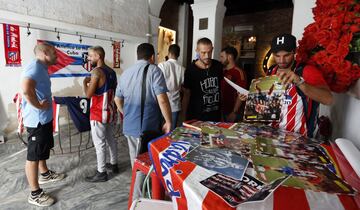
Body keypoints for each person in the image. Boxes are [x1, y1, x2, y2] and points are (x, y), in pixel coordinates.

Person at [240, 33, 333, 137]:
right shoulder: (272, 70)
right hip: (272, 135)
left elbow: (328, 99)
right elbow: (268, 102)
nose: (281, 60)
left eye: (286, 55)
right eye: (277, 56)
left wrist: (300, 82)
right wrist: (251, 98)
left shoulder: (307, 71)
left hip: (299, 139)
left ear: (294, 52)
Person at [114, 43, 172, 200]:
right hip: (146, 127)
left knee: (136, 160)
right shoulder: (154, 70)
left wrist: (126, 113)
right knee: (145, 162)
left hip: (130, 126)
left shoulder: (126, 73)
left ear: (138, 56)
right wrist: (168, 121)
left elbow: (117, 99)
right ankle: (138, 198)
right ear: (152, 57)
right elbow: (163, 100)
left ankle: (142, 191)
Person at [21, 43, 65, 207]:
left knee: (42, 149)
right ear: (45, 53)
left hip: (43, 118)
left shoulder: (41, 67)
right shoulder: (34, 67)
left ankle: (45, 174)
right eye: (54, 53)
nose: (56, 56)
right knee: (33, 156)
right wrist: (39, 106)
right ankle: (35, 193)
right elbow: (26, 90)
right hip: (36, 120)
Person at [83, 46, 119, 182]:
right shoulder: (111, 71)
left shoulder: (96, 72)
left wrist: (84, 83)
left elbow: (88, 94)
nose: (89, 58)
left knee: (99, 144)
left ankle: (101, 172)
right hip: (110, 111)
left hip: (98, 113)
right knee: (111, 139)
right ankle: (114, 164)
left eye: (91, 56)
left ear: (98, 56)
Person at [182, 37, 223, 122]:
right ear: (197, 50)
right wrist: (183, 116)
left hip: (215, 116)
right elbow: (186, 95)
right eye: (203, 53)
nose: (207, 56)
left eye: (209, 52)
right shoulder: (191, 70)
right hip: (196, 117)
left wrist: (222, 113)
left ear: (212, 49)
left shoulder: (218, 66)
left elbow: (220, 90)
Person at [158, 44, 185, 129]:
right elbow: (182, 86)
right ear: (178, 55)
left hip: (161, 103)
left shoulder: (162, 65)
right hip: (175, 104)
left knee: (159, 130)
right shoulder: (182, 69)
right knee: (171, 132)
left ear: (169, 53)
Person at [219, 46, 247, 122]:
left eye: (222, 56)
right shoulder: (223, 71)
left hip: (234, 112)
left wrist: (234, 112)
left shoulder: (238, 72)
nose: (220, 59)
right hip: (223, 111)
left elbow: (242, 93)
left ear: (229, 56)